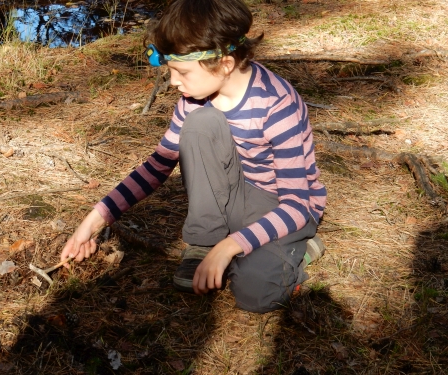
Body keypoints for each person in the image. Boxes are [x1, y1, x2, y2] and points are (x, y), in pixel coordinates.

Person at [60, 0, 327, 313]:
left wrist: (232, 246)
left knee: (255, 295)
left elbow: (296, 204)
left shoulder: (276, 105)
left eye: (181, 72)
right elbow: (158, 165)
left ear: (224, 64)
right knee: (201, 123)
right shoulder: (194, 100)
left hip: (281, 206)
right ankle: (203, 242)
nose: (173, 82)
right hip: (237, 197)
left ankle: (301, 250)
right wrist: (96, 218)